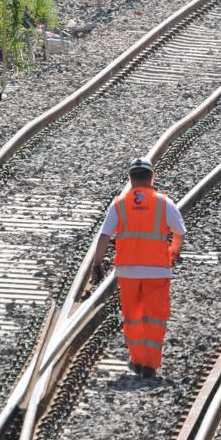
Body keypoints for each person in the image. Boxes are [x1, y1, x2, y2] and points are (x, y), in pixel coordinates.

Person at [92, 158, 185, 378]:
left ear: (130, 178)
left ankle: (137, 359)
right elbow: (180, 230)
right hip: (157, 270)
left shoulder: (120, 204)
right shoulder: (164, 203)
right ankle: (150, 365)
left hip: (128, 270)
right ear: (152, 177)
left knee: (133, 317)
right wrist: (173, 250)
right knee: (154, 317)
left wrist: (97, 263)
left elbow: (105, 235)